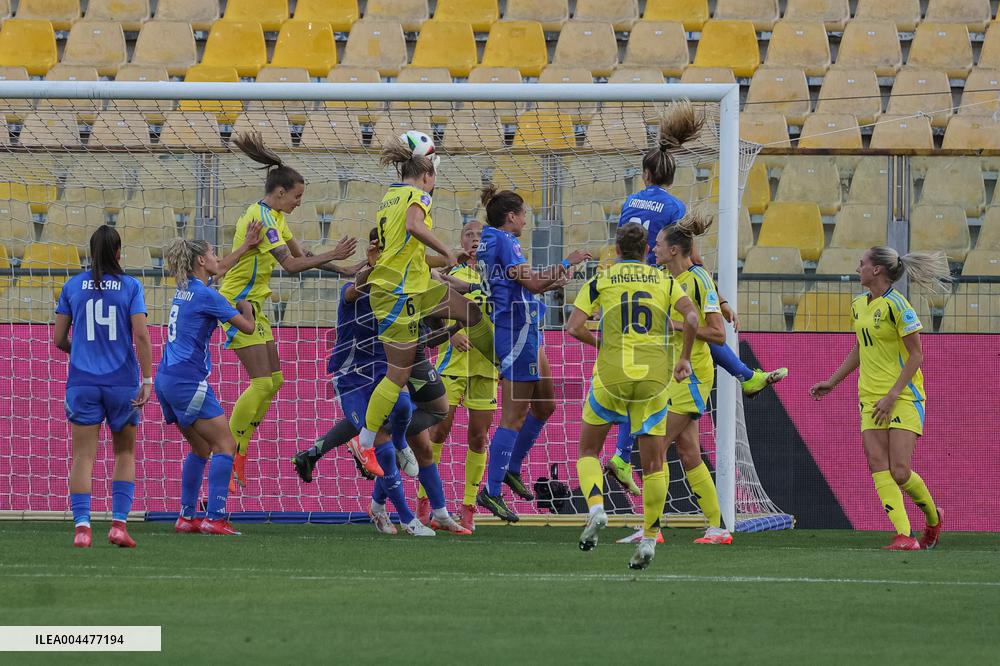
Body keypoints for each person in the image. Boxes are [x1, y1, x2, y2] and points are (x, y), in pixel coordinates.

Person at [609, 101, 787, 491]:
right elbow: (692, 256)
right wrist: (718, 297)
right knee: (660, 367)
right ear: (670, 177)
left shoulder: (629, 202)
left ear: (645, 174)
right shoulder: (674, 206)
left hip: (629, 285)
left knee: (673, 425)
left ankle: (745, 376)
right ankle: (622, 457)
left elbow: (623, 245)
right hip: (661, 288)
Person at [293, 230, 470, 536]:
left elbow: (437, 282)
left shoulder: (402, 288)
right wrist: (374, 267)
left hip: (386, 371)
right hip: (352, 378)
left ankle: (423, 503)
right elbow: (355, 289)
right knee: (383, 442)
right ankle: (407, 518)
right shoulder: (359, 288)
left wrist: (458, 275)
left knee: (405, 417)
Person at [222, 131, 358, 490]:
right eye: (297, 196)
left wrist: (343, 269)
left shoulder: (275, 217)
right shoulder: (261, 217)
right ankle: (230, 452)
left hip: (256, 305)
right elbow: (291, 266)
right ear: (280, 192)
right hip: (235, 304)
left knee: (275, 381)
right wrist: (333, 254)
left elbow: (302, 255)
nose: (300, 202)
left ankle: (238, 452)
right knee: (261, 382)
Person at [354, 135, 494, 476]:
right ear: (427, 175)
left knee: (469, 311)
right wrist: (446, 250)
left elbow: (405, 251)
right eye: (435, 178)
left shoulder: (390, 197)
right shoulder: (419, 195)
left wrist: (446, 258)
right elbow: (414, 227)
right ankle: (365, 441)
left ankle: (504, 361)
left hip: (413, 285)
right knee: (398, 373)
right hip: (398, 293)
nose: (434, 185)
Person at [566, 222, 699, 558]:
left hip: (612, 373)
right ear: (646, 251)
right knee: (654, 463)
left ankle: (597, 508)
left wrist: (601, 345)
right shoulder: (665, 280)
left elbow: (573, 327)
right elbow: (692, 318)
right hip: (654, 377)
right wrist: (684, 358)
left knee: (588, 451)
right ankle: (650, 538)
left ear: (616, 250)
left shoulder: (602, 278)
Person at [809, 247, 947, 551]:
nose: (857, 268)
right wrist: (833, 381)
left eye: (862, 263)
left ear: (876, 270)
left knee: (900, 470)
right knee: (877, 465)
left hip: (903, 396)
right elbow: (861, 347)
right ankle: (904, 535)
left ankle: (933, 518)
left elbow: (916, 355)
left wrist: (892, 394)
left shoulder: (898, 306)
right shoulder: (859, 304)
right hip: (870, 397)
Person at [475, 185, 591, 522]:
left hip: (525, 329)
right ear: (511, 216)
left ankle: (512, 467)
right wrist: (567, 261)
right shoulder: (505, 241)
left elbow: (520, 285)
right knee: (513, 416)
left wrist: (554, 281)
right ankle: (491, 491)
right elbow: (534, 284)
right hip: (516, 333)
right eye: (523, 214)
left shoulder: (490, 240)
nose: (526, 221)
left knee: (545, 404)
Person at [158, 229, 264, 537]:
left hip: (166, 378)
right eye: (213, 253)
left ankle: (186, 516)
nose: (218, 258)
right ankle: (215, 518)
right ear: (202, 261)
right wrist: (247, 308)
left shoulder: (185, 287)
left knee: (200, 447)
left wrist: (245, 246)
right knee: (226, 445)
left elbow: (220, 268)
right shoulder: (208, 296)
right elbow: (247, 328)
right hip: (188, 380)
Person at [54, 225, 152, 548]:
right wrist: (147, 379)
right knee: (124, 452)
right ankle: (118, 526)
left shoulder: (72, 285)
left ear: (91, 252)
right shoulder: (131, 286)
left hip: (82, 382)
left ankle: (82, 529)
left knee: (83, 456)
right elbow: (141, 335)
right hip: (122, 383)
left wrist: (81, 350)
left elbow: (58, 339)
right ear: (119, 253)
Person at [424, 221, 497, 531]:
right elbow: (428, 305)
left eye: (480, 236)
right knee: (438, 432)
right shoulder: (449, 273)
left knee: (479, 437)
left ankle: (468, 508)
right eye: (469, 235)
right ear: (461, 240)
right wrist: (450, 332)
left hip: (486, 367)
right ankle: (426, 506)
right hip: (452, 365)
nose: (475, 240)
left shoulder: (496, 276)